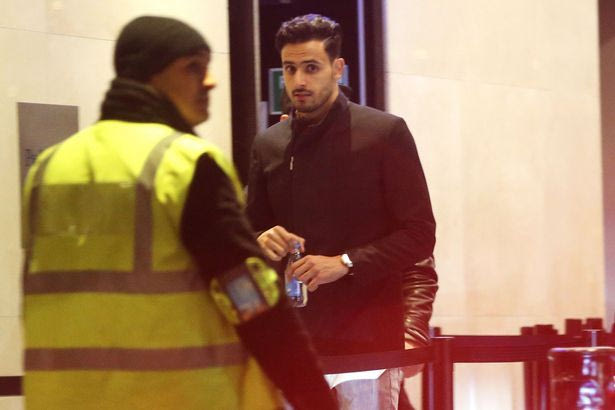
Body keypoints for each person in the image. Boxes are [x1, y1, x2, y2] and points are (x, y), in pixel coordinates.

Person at [21, 16, 337, 410]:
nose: (210, 82)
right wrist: (315, 399)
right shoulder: (183, 164)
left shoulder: (48, 167)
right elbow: (251, 300)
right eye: (193, 68)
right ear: (151, 75)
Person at [247, 14, 437, 409]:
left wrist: (345, 263)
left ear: (337, 68)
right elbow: (249, 234)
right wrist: (260, 241)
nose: (299, 81)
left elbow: (420, 234)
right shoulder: (268, 144)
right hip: (292, 344)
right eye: (289, 69)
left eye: (311, 68)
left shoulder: (384, 133)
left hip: (368, 344)